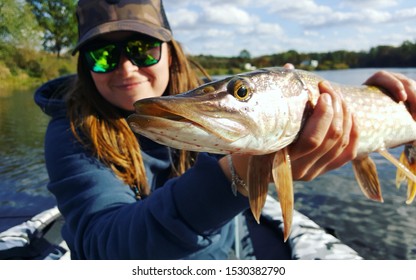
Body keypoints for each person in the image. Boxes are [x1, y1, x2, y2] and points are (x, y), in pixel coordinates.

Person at [34, 0, 416, 260]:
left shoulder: (216, 105)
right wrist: (240, 175)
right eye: (102, 55)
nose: (127, 68)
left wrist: (380, 96)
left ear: (170, 50)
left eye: (142, 48)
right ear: (86, 65)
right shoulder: (72, 132)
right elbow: (105, 246)